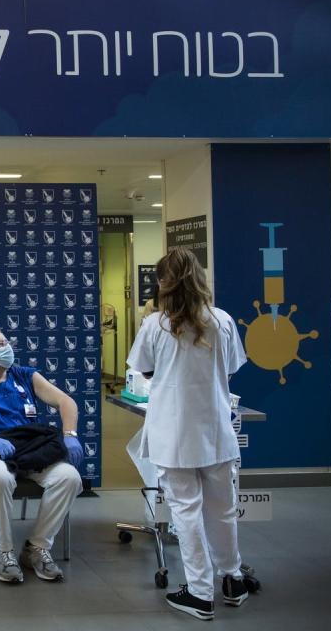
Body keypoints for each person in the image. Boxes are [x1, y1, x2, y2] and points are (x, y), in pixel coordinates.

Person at [127, 248, 250, 621]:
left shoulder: (156, 325)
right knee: (222, 509)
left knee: (187, 512)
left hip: (175, 433)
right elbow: (230, 369)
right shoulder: (222, 321)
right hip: (215, 430)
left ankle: (200, 592)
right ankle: (232, 578)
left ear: (164, 284)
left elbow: (143, 371)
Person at [0, 327, 83, 584]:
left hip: (30, 448)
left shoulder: (24, 375)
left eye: (6, 342)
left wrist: (70, 433)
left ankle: (36, 548)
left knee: (69, 478)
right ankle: (5, 552)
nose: (6, 348)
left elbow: (66, 402)